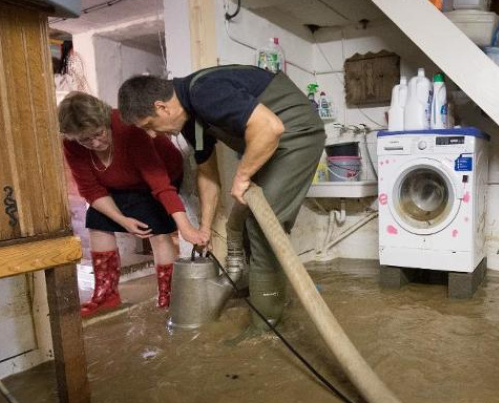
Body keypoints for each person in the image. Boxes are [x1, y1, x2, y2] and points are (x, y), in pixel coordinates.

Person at [117, 66, 325, 328]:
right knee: (248, 222)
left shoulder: (205, 91)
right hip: (275, 144)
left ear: (162, 107)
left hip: (296, 137)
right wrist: (203, 228)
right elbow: (207, 173)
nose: (152, 134)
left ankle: (266, 324)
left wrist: (242, 176)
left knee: (263, 227)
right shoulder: (190, 119)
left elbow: (270, 127)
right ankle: (268, 297)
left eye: (149, 125)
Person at [59, 92, 206, 318]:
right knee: (98, 222)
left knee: (156, 229)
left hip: (158, 174)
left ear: (105, 120)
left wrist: (185, 227)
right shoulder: (73, 145)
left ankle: (168, 294)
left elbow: (159, 184)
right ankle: (106, 294)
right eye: (86, 140)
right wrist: (122, 220)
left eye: (99, 134)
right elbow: (91, 189)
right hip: (116, 183)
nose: (95, 143)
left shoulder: (128, 128)